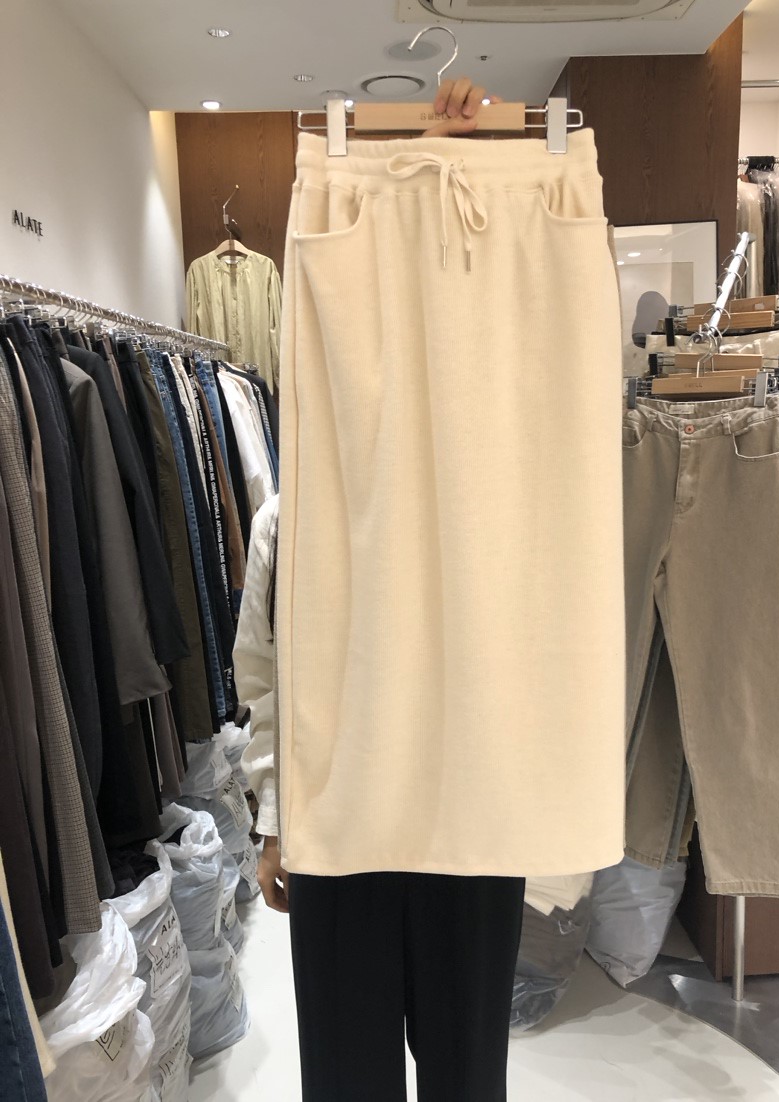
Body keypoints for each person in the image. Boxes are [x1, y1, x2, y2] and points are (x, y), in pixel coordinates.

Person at [235, 80, 525, 1102]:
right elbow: (264, 677)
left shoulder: (493, 508)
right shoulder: (294, 519)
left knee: (466, 1075)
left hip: (468, 824)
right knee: (348, 1078)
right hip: (340, 826)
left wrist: (465, 161)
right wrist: (276, 819)